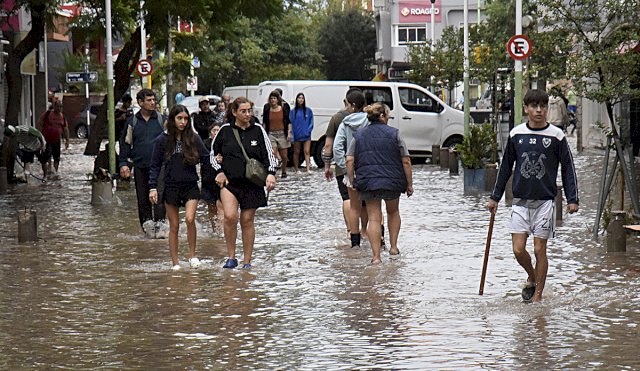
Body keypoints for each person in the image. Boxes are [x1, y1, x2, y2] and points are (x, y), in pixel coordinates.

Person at [486, 89, 579, 303]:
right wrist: (495, 197)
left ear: (547, 108)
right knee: (518, 250)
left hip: (546, 201)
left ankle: (537, 298)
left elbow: (568, 167)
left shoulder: (556, 136)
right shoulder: (516, 134)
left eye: (543, 106)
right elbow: (505, 167)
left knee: (539, 249)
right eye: (534, 107)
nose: (539, 110)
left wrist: (572, 199)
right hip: (520, 201)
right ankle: (531, 275)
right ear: (526, 109)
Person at [211, 97, 278, 269]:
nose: (247, 114)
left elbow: (269, 155)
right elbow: (212, 154)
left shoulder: (258, 131)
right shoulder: (225, 131)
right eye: (243, 111)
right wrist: (219, 171)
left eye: (250, 111)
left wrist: (271, 174)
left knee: (247, 220)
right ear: (234, 112)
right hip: (230, 182)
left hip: (252, 183)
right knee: (230, 216)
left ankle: (247, 261)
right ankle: (231, 256)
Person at [346, 103, 413, 264]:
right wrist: (409, 184)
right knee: (393, 212)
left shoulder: (359, 135)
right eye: (388, 116)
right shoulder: (395, 134)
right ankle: (394, 248)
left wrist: (352, 180)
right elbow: (406, 161)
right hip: (392, 181)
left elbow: (349, 159)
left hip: (368, 181)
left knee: (374, 218)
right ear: (382, 116)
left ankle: (376, 257)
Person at [149, 105, 209, 270]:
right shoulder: (162, 140)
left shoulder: (193, 138)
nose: (183, 122)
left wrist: (217, 163)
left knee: (190, 219)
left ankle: (192, 255)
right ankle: (175, 262)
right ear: (172, 120)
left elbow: (206, 158)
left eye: (185, 119)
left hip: (190, 185)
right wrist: (152, 187)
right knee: (174, 226)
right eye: (179, 118)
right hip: (171, 186)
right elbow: (154, 166)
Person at [119, 89, 168, 237]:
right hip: (140, 167)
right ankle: (147, 233)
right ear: (140, 102)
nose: (153, 102)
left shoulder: (162, 120)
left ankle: (160, 232)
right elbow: (125, 143)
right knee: (143, 200)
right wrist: (123, 163)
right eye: (149, 100)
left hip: (160, 167)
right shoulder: (132, 122)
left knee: (159, 198)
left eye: (154, 100)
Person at [333, 89, 370, 248]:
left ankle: (355, 243)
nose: (345, 107)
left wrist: (344, 164)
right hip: (370, 168)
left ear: (353, 106)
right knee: (372, 206)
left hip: (351, 168)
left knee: (354, 207)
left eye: (347, 104)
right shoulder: (370, 121)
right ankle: (375, 237)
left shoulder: (345, 123)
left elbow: (336, 147)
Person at [322, 90, 357, 238]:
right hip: (364, 165)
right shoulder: (368, 117)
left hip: (343, 165)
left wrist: (327, 166)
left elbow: (328, 145)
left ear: (346, 102)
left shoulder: (337, 118)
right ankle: (370, 233)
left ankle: (350, 231)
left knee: (347, 198)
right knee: (369, 202)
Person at [36, 100, 69, 179]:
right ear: (54, 106)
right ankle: (48, 170)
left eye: (61, 106)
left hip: (57, 140)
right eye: (58, 106)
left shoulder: (62, 117)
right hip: (46, 140)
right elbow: (39, 123)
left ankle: (55, 172)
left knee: (56, 157)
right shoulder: (48, 114)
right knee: (47, 155)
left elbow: (65, 128)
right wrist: (39, 135)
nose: (59, 108)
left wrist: (67, 140)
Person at [262, 90, 291, 177]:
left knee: (284, 156)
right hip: (271, 133)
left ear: (278, 99)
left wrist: (289, 132)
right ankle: (273, 172)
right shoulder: (267, 108)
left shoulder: (284, 108)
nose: (273, 100)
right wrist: (263, 133)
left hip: (282, 133)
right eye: (271, 98)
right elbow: (264, 122)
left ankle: (284, 170)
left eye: (274, 98)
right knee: (273, 153)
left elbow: (288, 121)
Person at [202, 123, 224, 235]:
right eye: (214, 130)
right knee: (211, 206)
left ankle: (221, 231)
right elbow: (202, 159)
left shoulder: (224, 143)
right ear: (210, 132)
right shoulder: (205, 144)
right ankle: (214, 229)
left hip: (221, 178)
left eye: (218, 130)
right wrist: (213, 159)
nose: (216, 132)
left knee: (220, 205)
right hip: (208, 178)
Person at [289, 92, 314, 174]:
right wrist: (292, 135)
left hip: (306, 135)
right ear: (296, 99)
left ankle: (308, 169)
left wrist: (308, 131)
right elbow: (291, 123)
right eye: (299, 98)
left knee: (307, 151)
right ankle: (296, 168)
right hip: (297, 135)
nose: (301, 99)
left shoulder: (308, 111)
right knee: (296, 152)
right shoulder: (293, 112)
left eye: (302, 98)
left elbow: (311, 122)